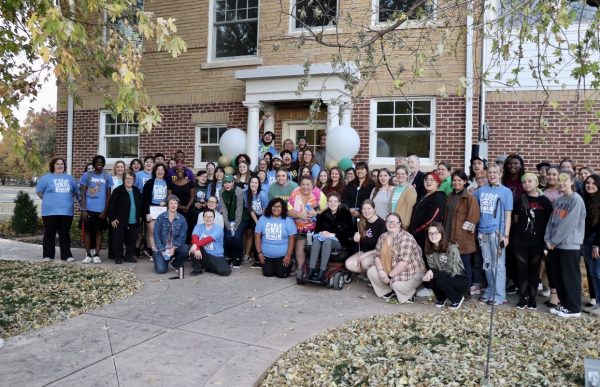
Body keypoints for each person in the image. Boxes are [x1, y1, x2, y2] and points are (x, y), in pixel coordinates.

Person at [545, 170, 586, 318]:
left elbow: (568, 224)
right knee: (559, 276)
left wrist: (554, 241)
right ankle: (565, 304)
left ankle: (574, 308)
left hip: (569, 245)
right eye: (560, 180)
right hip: (555, 246)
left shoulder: (576, 200)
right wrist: (548, 240)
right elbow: (551, 221)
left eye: (565, 180)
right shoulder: (559, 200)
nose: (562, 183)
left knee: (570, 277)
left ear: (572, 182)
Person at [511, 173, 552, 310]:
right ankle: (523, 297)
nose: (527, 184)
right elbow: (516, 219)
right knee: (521, 270)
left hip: (537, 241)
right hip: (520, 241)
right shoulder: (519, 199)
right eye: (524, 182)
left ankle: (532, 298)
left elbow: (549, 222)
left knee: (534, 270)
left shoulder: (544, 201)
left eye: (530, 181)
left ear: (536, 183)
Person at [474, 163, 513, 306]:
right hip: (482, 232)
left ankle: (500, 295)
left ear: (500, 173)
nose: (492, 175)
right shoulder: (481, 191)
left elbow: (508, 215)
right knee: (487, 264)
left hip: (497, 232)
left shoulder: (506, 192)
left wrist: (506, 235)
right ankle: (490, 290)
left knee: (498, 265)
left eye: (495, 172)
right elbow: (472, 205)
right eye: (489, 172)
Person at [367, 213, 426, 303]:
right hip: (391, 269)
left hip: (411, 272)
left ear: (400, 224)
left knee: (396, 284)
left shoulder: (406, 238)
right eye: (388, 222)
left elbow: (403, 263)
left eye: (394, 222)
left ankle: (410, 293)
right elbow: (377, 256)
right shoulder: (383, 237)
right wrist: (381, 272)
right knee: (371, 272)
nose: (391, 224)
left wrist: (389, 276)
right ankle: (388, 291)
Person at [36, 157, 79, 262]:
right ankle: (48, 255)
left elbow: (75, 192)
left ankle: (66, 255)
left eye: (61, 164)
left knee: (64, 234)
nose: (60, 166)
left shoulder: (70, 179)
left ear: (64, 166)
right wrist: (50, 200)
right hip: (50, 212)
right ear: (53, 166)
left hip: (66, 212)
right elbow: (39, 192)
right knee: (49, 233)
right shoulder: (45, 178)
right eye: (57, 164)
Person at [444, 170, 480, 295]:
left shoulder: (469, 197)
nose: (456, 183)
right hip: (449, 236)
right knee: (453, 266)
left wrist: (461, 238)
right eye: (454, 180)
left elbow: (473, 218)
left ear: (465, 182)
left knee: (465, 266)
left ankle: (466, 292)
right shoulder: (450, 196)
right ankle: (456, 289)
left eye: (460, 180)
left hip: (463, 239)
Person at [422, 222, 469, 309]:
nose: (433, 235)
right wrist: (429, 273)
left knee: (440, 279)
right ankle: (441, 298)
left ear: (442, 234)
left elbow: (451, 270)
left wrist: (432, 272)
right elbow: (433, 268)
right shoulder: (429, 249)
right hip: (443, 277)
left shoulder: (451, 248)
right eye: (430, 233)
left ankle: (457, 298)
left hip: (459, 278)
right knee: (429, 277)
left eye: (436, 233)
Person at [307, 192, 353, 281]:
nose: (333, 204)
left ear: (339, 202)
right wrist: (321, 233)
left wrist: (334, 234)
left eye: (335, 201)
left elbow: (349, 232)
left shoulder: (345, 214)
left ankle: (322, 270)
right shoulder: (323, 215)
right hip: (323, 239)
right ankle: (311, 269)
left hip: (339, 241)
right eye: (330, 201)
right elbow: (317, 230)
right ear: (327, 203)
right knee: (316, 240)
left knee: (327, 241)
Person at [287, 176, 327, 277]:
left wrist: (317, 212)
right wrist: (300, 214)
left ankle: (310, 267)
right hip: (298, 227)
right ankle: (300, 268)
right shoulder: (295, 193)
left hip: (315, 228)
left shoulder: (318, 194)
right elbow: (289, 211)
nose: (305, 187)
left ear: (312, 185)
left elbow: (327, 209)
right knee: (300, 244)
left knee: (310, 246)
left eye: (308, 184)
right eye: (303, 184)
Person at [80, 155, 113, 263]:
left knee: (99, 232)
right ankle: (88, 255)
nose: (99, 164)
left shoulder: (107, 176)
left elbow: (109, 195)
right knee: (88, 232)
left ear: (103, 164)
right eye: (97, 162)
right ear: (94, 163)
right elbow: (83, 193)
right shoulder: (87, 175)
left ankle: (97, 255)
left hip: (101, 210)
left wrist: (105, 211)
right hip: (89, 209)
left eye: (101, 162)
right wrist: (83, 209)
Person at [254, 198, 297, 278]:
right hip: (266, 255)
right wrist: (259, 253)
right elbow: (257, 237)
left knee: (281, 275)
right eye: (274, 206)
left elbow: (292, 239)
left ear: (282, 208)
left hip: (283, 256)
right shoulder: (263, 219)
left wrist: (288, 255)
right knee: (268, 274)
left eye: (279, 207)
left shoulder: (288, 220)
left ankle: (291, 262)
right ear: (270, 207)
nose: (276, 208)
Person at [408, 171, 446, 255]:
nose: (428, 181)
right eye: (426, 179)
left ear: (437, 183)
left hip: (427, 237)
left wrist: (416, 231)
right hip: (416, 236)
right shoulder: (424, 196)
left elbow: (432, 219)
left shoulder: (438, 197)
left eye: (432, 180)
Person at [345, 199, 387, 274]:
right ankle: (368, 274)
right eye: (364, 209)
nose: (366, 211)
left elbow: (381, 248)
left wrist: (364, 256)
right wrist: (356, 234)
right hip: (364, 251)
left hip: (377, 253)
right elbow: (356, 237)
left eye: (369, 208)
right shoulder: (361, 221)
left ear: (374, 210)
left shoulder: (382, 224)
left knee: (364, 262)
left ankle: (375, 276)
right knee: (348, 264)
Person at [108, 171, 141, 264]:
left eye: (131, 178)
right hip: (120, 220)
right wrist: (112, 218)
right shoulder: (118, 191)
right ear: (123, 179)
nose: (129, 180)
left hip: (134, 220)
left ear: (134, 180)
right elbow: (111, 205)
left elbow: (140, 205)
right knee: (118, 239)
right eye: (127, 178)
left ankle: (129, 256)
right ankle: (118, 257)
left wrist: (140, 216)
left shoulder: (136, 191)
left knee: (132, 239)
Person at [152, 195, 189, 275]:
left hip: (174, 247)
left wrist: (174, 248)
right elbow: (156, 234)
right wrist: (161, 249)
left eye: (175, 203)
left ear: (178, 205)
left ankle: (174, 263)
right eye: (171, 203)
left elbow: (183, 236)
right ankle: (159, 258)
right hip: (162, 247)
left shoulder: (182, 219)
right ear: (167, 205)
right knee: (161, 270)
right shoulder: (161, 217)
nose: (173, 205)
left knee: (185, 249)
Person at [189, 209, 232, 276]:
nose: (208, 218)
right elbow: (194, 238)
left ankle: (208, 267)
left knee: (226, 272)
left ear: (214, 218)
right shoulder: (198, 227)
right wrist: (196, 247)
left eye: (210, 217)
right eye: (206, 216)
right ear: (203, 218)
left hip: (216, 255)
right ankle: (197, 269)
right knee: (192, 246)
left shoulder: (218, 229)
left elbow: (209, 239)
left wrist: (196, 245)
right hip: (203, 253)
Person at [220, 174, 247, 268]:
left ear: (233, 182)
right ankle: (229, 257)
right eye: (225, 182)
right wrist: (227, 224)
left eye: (229, 182)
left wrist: (235, 226)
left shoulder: (238, 191)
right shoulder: (221, 191)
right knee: (228, 236)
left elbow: (239, 209)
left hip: (241, 217)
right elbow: (223, 209)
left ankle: (238, 257)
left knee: (237, 236)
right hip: (228, 218)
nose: (227, 184)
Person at [583, 174, 600, 315]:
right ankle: (598, 303)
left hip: (597, 242)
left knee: (599, 273)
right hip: (587, 241)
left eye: (593, 183)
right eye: (587, 183)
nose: (590, 185)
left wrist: (596, 245)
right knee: (593, 274)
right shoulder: (586, 200)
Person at [142, 163, 168, 255]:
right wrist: (147, 213)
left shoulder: (168, 182)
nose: (160, 171)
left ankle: (162, 250)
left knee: (163, 231)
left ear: (165, 172)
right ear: (155, 171)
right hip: (152, 209)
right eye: (158, 169)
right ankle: (152, 251)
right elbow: (145, 199)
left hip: (164, 210)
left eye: (162, 170)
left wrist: (166, 202)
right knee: (151, 231)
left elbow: (171, 197)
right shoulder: (149, 183)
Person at [244, 176, 268, 266]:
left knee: (261, 235)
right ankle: (257, 258)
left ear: (259, 184)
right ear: (249, 184)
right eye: (252, 182)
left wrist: (261, 222)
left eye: (256, 183)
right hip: (255, 216)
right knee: (255, 234)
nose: (253, 184)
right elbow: (251, 210)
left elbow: (265, 209)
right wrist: (257, 222)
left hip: (264, 216)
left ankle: (263, 258)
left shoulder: (262, 194)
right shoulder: (247, 194)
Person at [391, 164, 417, 230]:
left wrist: (405, 225)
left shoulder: (410, 189)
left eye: (403, 173)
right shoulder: (395, 189)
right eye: (398, 174)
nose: (400, 176)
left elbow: (410, 208)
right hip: (392, 222)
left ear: (407, 175)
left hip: (402, 225)